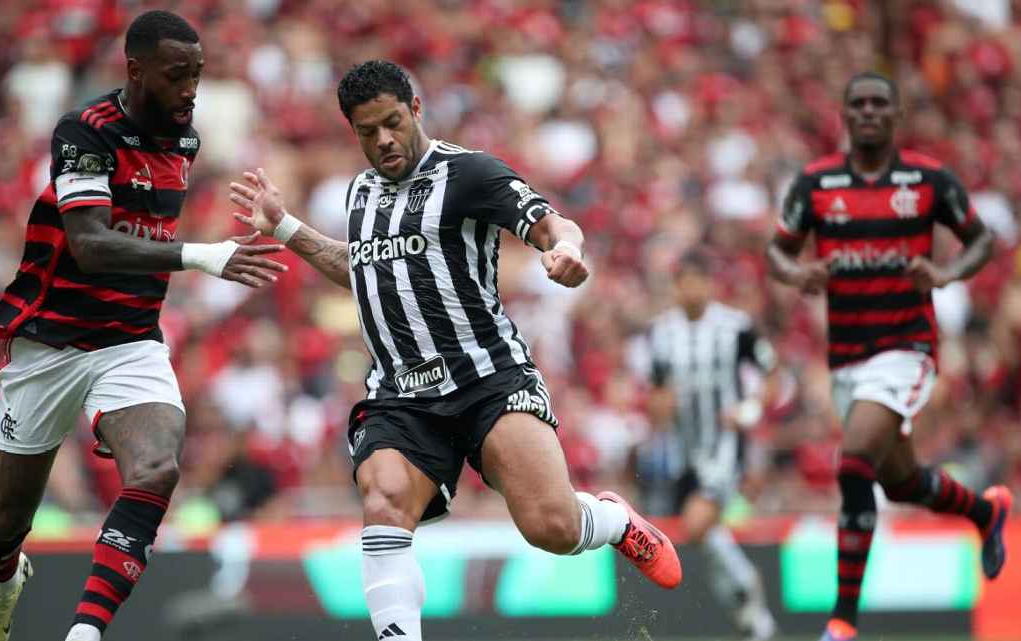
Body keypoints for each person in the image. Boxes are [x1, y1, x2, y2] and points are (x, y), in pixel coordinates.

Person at [229, 60, 682, 641]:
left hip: (488, 378)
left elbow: (551, 223)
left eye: (393, 122)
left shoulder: (468, 173)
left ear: (415, 109)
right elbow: (365, 270)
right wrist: (287, 227)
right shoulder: (361, 191)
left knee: (551, 526)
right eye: (369, 132)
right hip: (402, 393)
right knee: (383, 499)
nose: (384, 140)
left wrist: (565, 250)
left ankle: (615, 521)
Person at [0, 11, 287, 641]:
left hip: (129, 341)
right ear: (136, 71)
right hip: (48, 343)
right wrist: (204, 254)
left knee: (157, 469)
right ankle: (4, 582)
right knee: (7, 521)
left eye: (197, 74)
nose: (192, 89)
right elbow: (90, 243)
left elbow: (142, 233)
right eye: (178, 76)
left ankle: (85, 633)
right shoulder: (84, 132)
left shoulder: (184, 137)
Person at [767, 71, 1013, 641]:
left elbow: (981, 239)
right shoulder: (815, 184)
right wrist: (800, 273)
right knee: (898, 482)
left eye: (880, 103)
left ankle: (842, 623)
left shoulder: (928, 180)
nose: (870, 112)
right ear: (846, 116)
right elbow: (778, 253)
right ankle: (984, 511)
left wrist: (947, 272)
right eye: (859, 104)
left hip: (906, 347)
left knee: (853, 461)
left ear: (896, 114)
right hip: (847, 358)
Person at [643, 248, 777, 641]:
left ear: (709, 283)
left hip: (723, 445)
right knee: (697, 534)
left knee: (698, 523)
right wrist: (660, 407)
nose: (689, 290)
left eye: (696, 281)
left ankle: (749, 584)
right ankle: (750, 619)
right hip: (683, 451)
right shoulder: (663, 331)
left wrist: (750, 410)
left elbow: (772, 373)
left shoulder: (736, 327)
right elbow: (657, 389)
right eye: (682, 282)